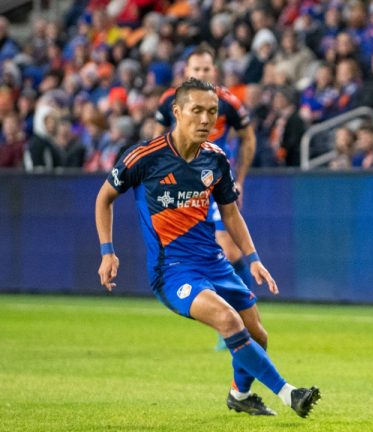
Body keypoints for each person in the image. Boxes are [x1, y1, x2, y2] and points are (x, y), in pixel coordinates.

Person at [95, 78, 320, 418]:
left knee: (258, 335)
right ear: (177, 112)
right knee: (227, 320)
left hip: (215, 264)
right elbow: (104, 198)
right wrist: (107, 250)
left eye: (212, 112)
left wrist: (253, 258)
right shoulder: (145, 157)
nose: (205, 119)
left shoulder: (215, 159)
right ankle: (289, 393)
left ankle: (240, 394)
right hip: (172, 271)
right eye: (196, 110)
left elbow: (230, 212)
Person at [154, 43, 257, 351]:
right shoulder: (168, 102)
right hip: (182, 188)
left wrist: (239, 177)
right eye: (196, 69)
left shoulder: (228, 102)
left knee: (232, 251)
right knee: (210, 252)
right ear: (186, 72)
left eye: (206, 69)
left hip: (213, 182)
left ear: (215, 70)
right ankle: (234, 322)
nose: (201, 73)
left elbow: (248, 139)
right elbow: (156, 140)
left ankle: (240, 323)